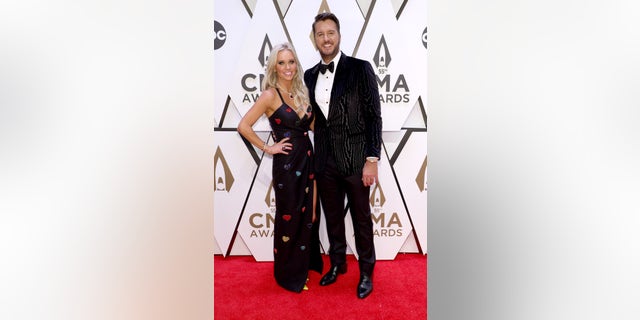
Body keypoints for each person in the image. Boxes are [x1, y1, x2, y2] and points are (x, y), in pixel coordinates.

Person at [304, 12, 382, 299]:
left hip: (357, 159)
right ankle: (337, 264)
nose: (326, 38)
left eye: (331, 32)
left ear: (339, 35)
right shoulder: (310, 74)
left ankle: (366, 272)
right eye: (321, 34)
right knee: (333, 219)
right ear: (315, 39)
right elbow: (315, 119)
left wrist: (371, 159)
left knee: (362, 220)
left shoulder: (360, 68)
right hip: (325, 161)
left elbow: (374, 116)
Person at [237, 42, 323, 293]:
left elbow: (316, 127)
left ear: (297, 64)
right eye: (282, 62)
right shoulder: (269, 95)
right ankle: (288, 275)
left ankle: (303, 266)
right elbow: (243, 126)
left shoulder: (302, 93)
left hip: (308, 158)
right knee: (290, 216)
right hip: (287, 166)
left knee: (309, 216)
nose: (287, 67)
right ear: (274, 67)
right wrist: (268, 148)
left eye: (291, 61)